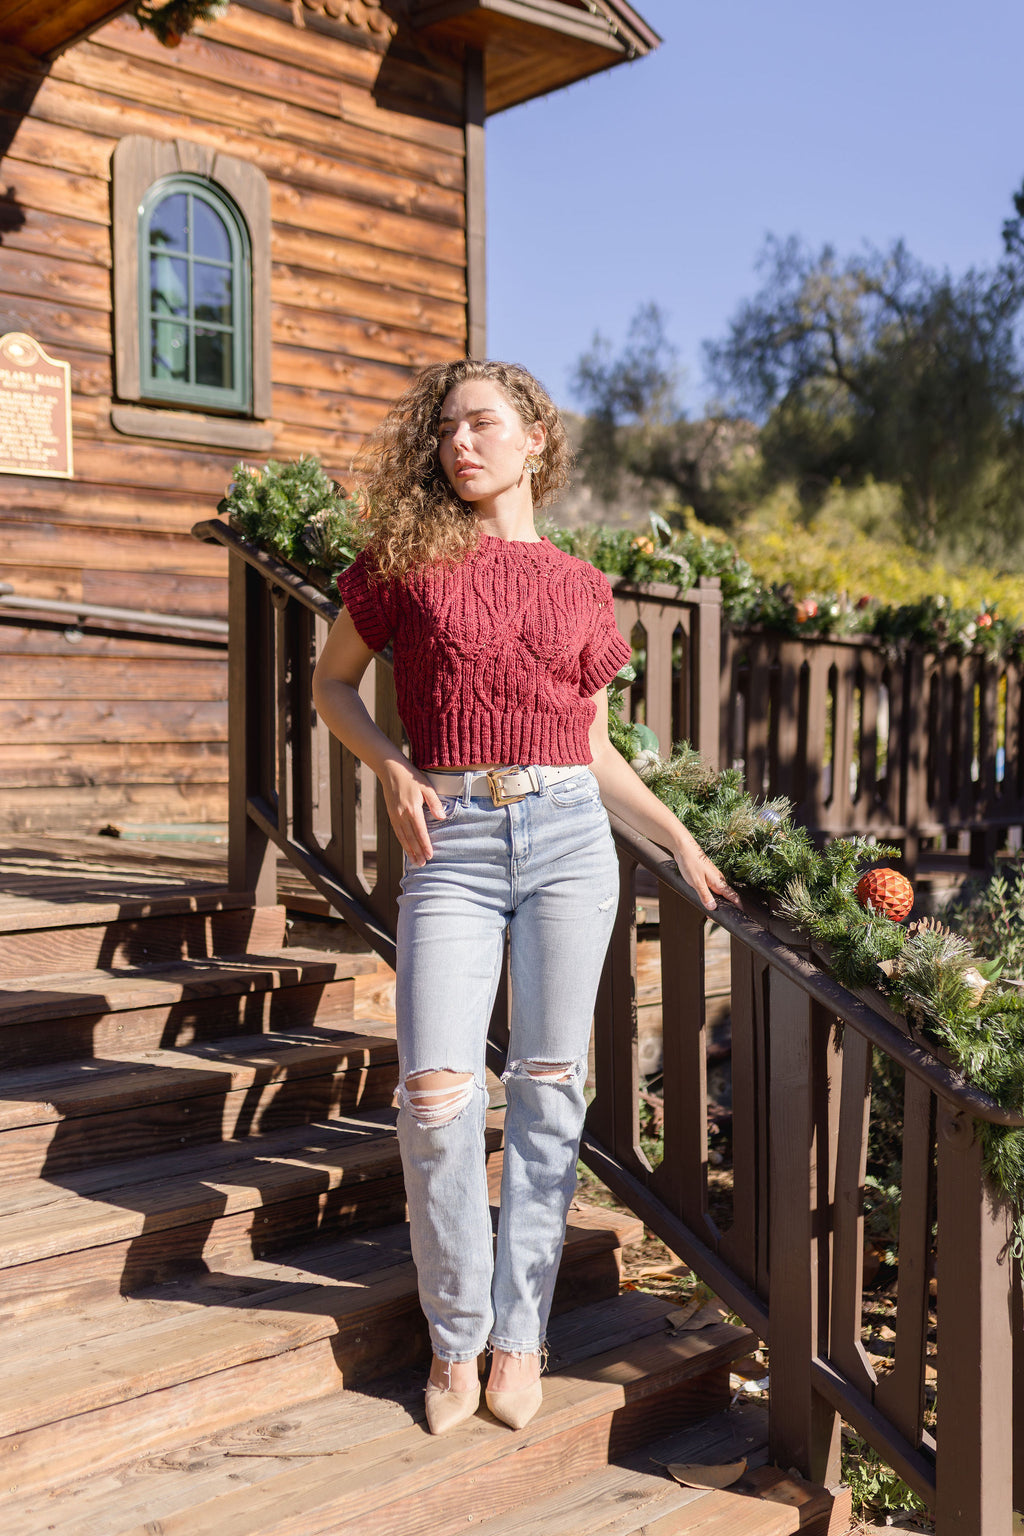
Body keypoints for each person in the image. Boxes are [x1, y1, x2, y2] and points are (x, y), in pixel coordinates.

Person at [311, 359, 739, 1438]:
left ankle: (519, 1336)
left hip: (564, 841)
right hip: (450, 841)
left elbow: (590, 748)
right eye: (446, 429)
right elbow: (330, 684)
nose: (459, 444)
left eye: (482, 424)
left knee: (550, 1092)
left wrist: (678, 841)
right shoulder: (404, 561)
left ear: (535, 439)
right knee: (436, 1093)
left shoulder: (583, 586)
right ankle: (454, 1337)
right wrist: (393, 771)